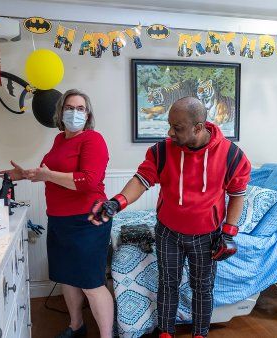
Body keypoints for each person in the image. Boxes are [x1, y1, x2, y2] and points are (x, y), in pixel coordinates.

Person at [89, 97, 251, 338]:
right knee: (168, 284)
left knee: (202, 289)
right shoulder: (161, 151)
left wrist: (229, 232)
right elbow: (141, 181)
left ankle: (200, 334)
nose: (170, 132)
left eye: (178, 127)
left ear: (198, 128)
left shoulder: (232, 155)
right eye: (169, 125)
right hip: (168, 232)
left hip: (207, 235)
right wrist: (116, 202)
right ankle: (166, 333)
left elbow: (237, 194)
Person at [0, 89, 113, 338]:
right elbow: (51, 173)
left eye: (80, 108)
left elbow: (88, 181)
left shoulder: (93, 140)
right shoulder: (60, 140)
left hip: (88, 221)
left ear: (88, 114)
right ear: (61, 113)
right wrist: (26, 174)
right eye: (69, 108)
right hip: (59, 219)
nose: (74, 112)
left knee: (92, 283)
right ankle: (76, 325)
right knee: (67, 277)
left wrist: (46, 175)